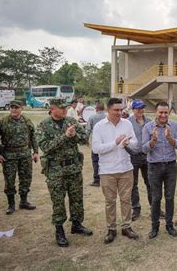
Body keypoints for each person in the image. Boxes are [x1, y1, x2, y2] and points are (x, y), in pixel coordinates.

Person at [37, 98, 93, 247]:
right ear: (52, 109)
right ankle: (59, 230)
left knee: (76, 198)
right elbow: (45, 147)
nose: (63, 110)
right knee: (58, 201)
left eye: (65, 108)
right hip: (55, 170)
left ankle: (76, 224)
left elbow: (84, 139)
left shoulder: (71, 121)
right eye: (60, 108)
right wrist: (65, 136)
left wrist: (75, 135)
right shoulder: (44, 125)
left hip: (73, 168)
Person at [92, 98, 139, 244]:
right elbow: (96, 148)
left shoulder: (127, 124)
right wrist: (115, 143)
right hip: (107, 170)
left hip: (126, 168)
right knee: (110, 201)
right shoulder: (99, 127)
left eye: (121, 110)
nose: (119, 113)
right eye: (116, 110)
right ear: (108, 110)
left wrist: (128, 142)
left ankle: (127, 226)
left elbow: (135, 142)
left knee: (126, 200)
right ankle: (111, 229)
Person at [142, 101, 177, 239]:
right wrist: (153, 140)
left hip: (171, 165)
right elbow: (144, 148)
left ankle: (169, 225)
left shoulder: (175, 126)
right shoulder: (148, 127)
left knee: (170, 197)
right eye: (161, 112)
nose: (163, 115)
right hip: (154, 166)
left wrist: (169, 137)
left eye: (166, 112)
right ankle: (154, 227)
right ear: (156, 112)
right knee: (156, 198)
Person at [0, 100, 38, 215]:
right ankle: (11, 204)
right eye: (12, 107)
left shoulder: (26, 121)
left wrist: (36, 152)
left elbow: (33, 137)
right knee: (9, 180)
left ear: (21, 108)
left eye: (16, 107)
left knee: (26, 178)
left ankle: (23, 201)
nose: (13, 109)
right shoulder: (3, 122)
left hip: (25, 154)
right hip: (9, 156)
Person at [127, 99, 153, 220]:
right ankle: (136, 209)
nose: (141, 111)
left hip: (147, 156)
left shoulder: (149, 122)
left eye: (142, 108)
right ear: (133, 110)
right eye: (138, 108)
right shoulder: (128, 123)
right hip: (134, 156)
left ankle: (154, 207)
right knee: (133, 184)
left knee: (150, 183)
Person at [86, 103, 107, 187]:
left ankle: (96, 181)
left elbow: (88, 130)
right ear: (104, 108)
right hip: (107, 142)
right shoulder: (107, 116)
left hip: (96, 143)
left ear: (96, 109)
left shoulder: (92, 117)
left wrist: (86, 140)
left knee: (96, 162)